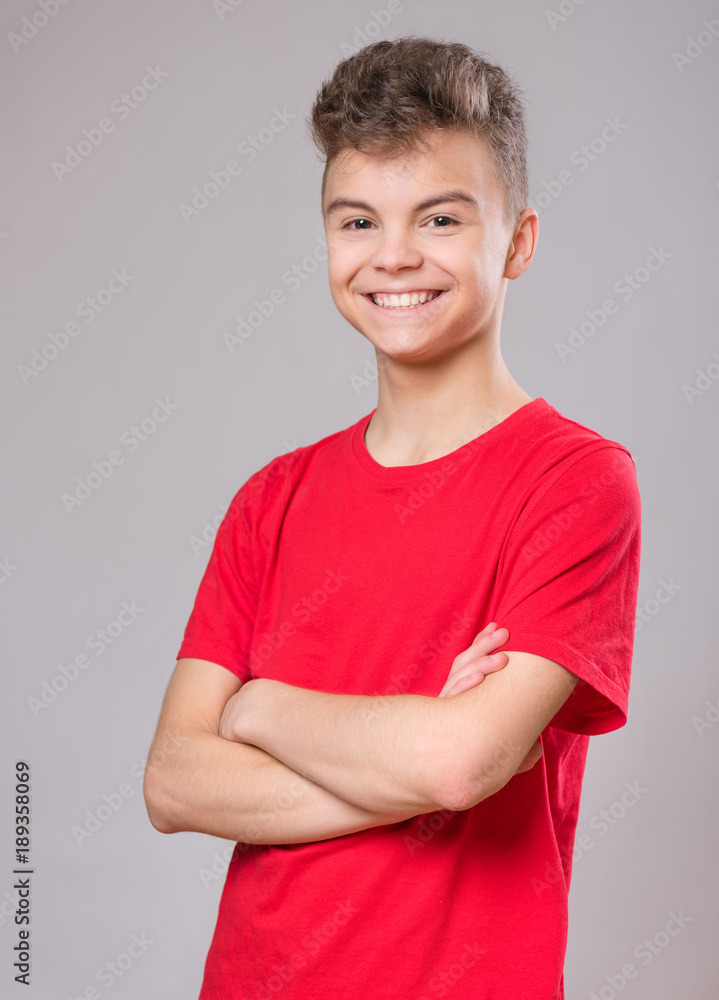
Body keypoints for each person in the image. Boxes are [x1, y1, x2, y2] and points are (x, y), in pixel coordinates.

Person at [143, 35, 642, 1000]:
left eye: (441, 217)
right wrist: (406, 757)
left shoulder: (576, 484)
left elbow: (458, 765)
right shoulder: (269, 500)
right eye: (357, 219)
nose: (394, 256)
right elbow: (173, 782)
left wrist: (257, 709)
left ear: (518, 241)